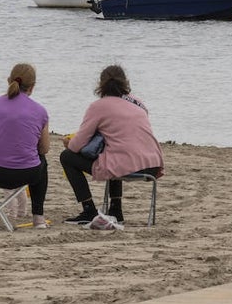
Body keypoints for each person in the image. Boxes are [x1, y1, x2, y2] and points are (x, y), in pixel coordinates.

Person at [61, 64, 164, 225]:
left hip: (125, 164)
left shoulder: (98, 107)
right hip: (153, 164)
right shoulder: (138, 103)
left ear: (100, 84)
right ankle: (116, 209)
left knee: (67, 157)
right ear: (125, 82)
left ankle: (89, 209)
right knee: (115, 152)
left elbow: (77, 144)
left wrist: (68, 142)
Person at [0, 63, 51, 228]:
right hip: (25, 174)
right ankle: (38, 217)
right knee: (43, 161)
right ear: (32, 87)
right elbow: (44, 149)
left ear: (8, 81)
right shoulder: (40, 111)